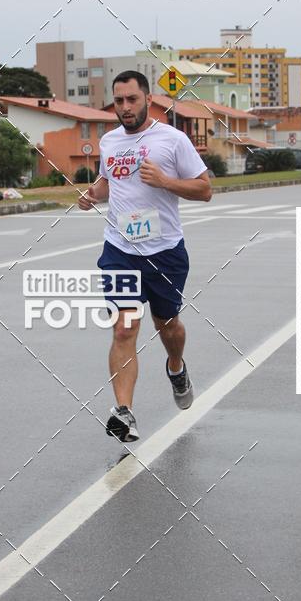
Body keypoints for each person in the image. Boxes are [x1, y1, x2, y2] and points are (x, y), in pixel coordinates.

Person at [78, 71, 212, 442]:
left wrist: (166, 181)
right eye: (118, 101)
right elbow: (108, 182)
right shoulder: (109, 141)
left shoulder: (172, 139)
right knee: (124, 327)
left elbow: (204, 190)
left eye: (132, 99)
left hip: (165, 252)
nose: (125, 107)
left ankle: (176, 367)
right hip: (120, 250)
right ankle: (124, 413)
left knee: (167, 325)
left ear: (147, 99)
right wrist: (92, 195)